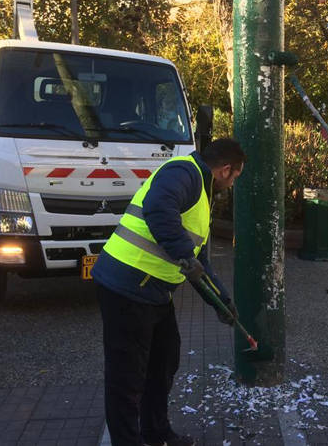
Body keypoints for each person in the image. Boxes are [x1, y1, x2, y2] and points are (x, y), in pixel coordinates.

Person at [92, 138, 246, 446]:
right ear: (225, 170)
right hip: (127, 286)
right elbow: (159, 208)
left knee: (163, 362)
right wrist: (184, 254)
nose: (233, 184)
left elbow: (198, 261)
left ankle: (156, 432)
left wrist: (221, 301)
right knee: (127, 378)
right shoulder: (183, 173)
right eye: (236, 177)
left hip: (154, 291)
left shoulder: (202, 191)